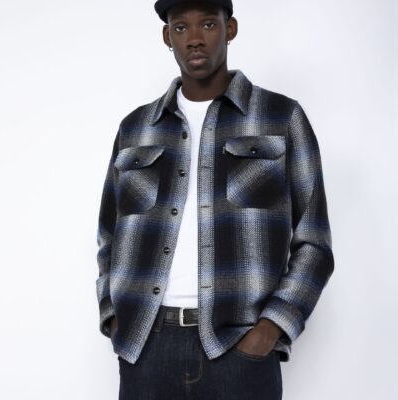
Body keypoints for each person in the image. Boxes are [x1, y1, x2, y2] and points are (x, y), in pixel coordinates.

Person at [95, 0, 334, 399]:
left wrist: (270, 328)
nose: (194, 39)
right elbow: (109, 236)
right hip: (145, 350)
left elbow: (314, 242)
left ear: (230, 28)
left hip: (240, 351)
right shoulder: (136, 128)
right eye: (180, 27)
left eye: (208, 24)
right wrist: (113, 318)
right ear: (167, 36)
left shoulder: (281, 118)